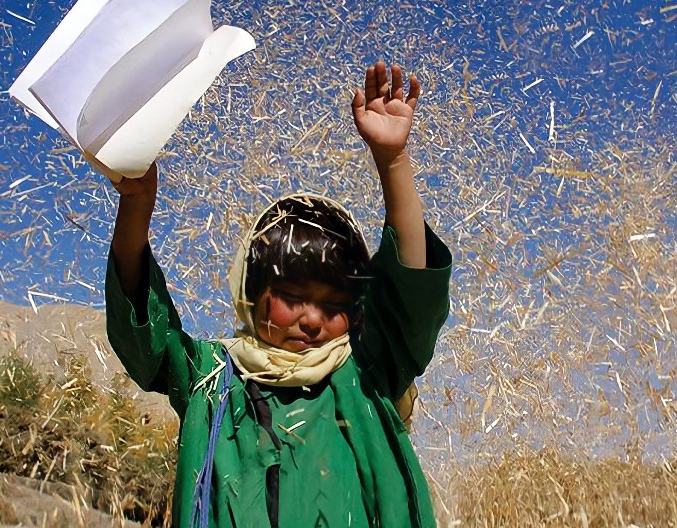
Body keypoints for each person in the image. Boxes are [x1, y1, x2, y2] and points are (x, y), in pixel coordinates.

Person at [105, 61, 452, 528]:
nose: (313, 319)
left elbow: (411, 290)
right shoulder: (212, 380)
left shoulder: (367, 376)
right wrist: (136, 204)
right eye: (292, 296)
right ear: (252, 292)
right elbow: (142, 328)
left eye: (334, 305)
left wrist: (393, 161)